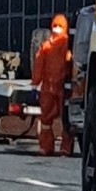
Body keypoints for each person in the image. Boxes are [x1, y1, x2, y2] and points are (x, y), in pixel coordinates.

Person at [32, 14, 74, 157]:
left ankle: (66, 147)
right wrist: (36, 82)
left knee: (65, 119)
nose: (57, 29)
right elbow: (39, 65)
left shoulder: (68, 45)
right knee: (46, 119)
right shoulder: (46, 46)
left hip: (63, 87)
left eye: (60, 26)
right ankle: (46, 146)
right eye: (55, 26)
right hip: (48, 87)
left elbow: (72, 64)